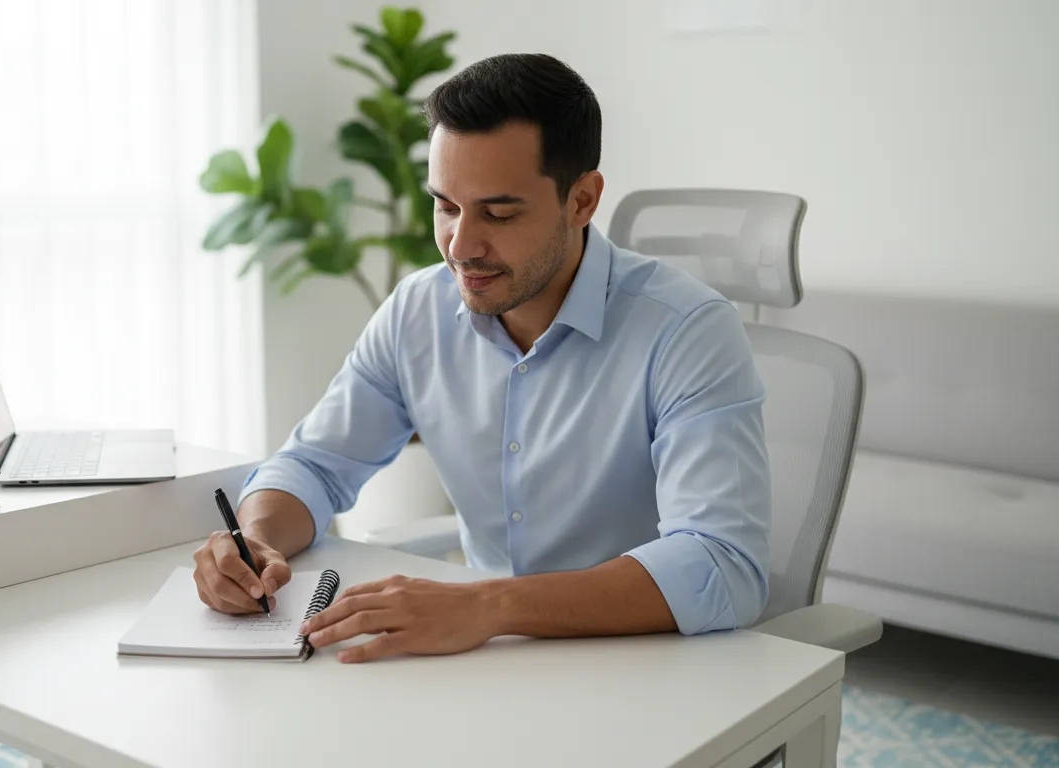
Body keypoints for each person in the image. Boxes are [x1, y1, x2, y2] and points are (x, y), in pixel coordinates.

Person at [192, 52, 771, 663]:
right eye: (445, 206)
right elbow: (312, 465)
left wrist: (491, 606)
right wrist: (254, 542)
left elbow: (721, 563)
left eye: (499, 212)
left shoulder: (687, 331)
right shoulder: (417, 311)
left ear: (582, 200)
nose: (460, 246)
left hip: (645, 662)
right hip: (482, 660)